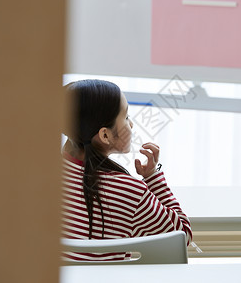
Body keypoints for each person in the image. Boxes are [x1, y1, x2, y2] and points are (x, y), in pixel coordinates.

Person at [61, 79, 192, 261]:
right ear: (105, 135)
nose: (131, 125)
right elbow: (182, 237)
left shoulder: (40, 176)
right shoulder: (130, 193)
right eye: (127, 117)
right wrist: (154, 178)